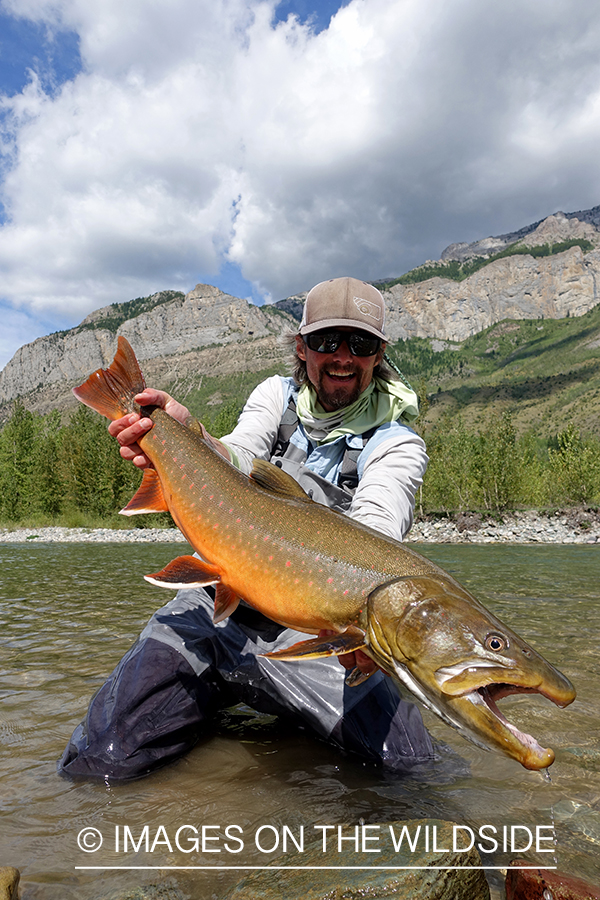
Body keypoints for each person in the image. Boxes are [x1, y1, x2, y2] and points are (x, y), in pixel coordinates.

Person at [59, 276, 434, 780]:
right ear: (301, 348)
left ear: (378, 353)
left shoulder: (397, 442)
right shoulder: (275, 397)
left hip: (312, 633)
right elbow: (237, 454)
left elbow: (377, 530)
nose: (342, 356)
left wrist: (372, 629)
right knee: (99, 760)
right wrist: (184, 434)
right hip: (217, 608)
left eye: (360, 343)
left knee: (410, 770)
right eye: (327, 341)